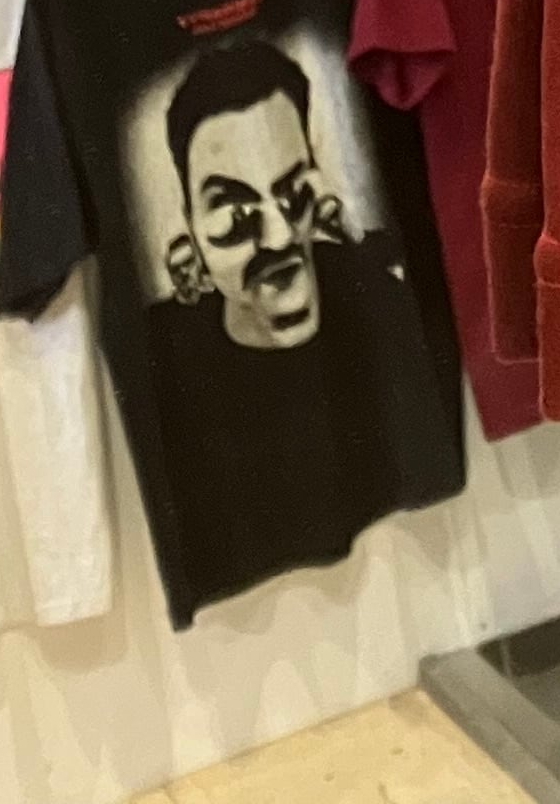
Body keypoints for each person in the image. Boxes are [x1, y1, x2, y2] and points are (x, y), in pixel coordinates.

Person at [142, 37, 418, 609]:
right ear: (190, 229)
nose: (277, 237)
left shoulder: (377, 298)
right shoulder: (164, 360)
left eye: (293, 195)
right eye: (237, 215)